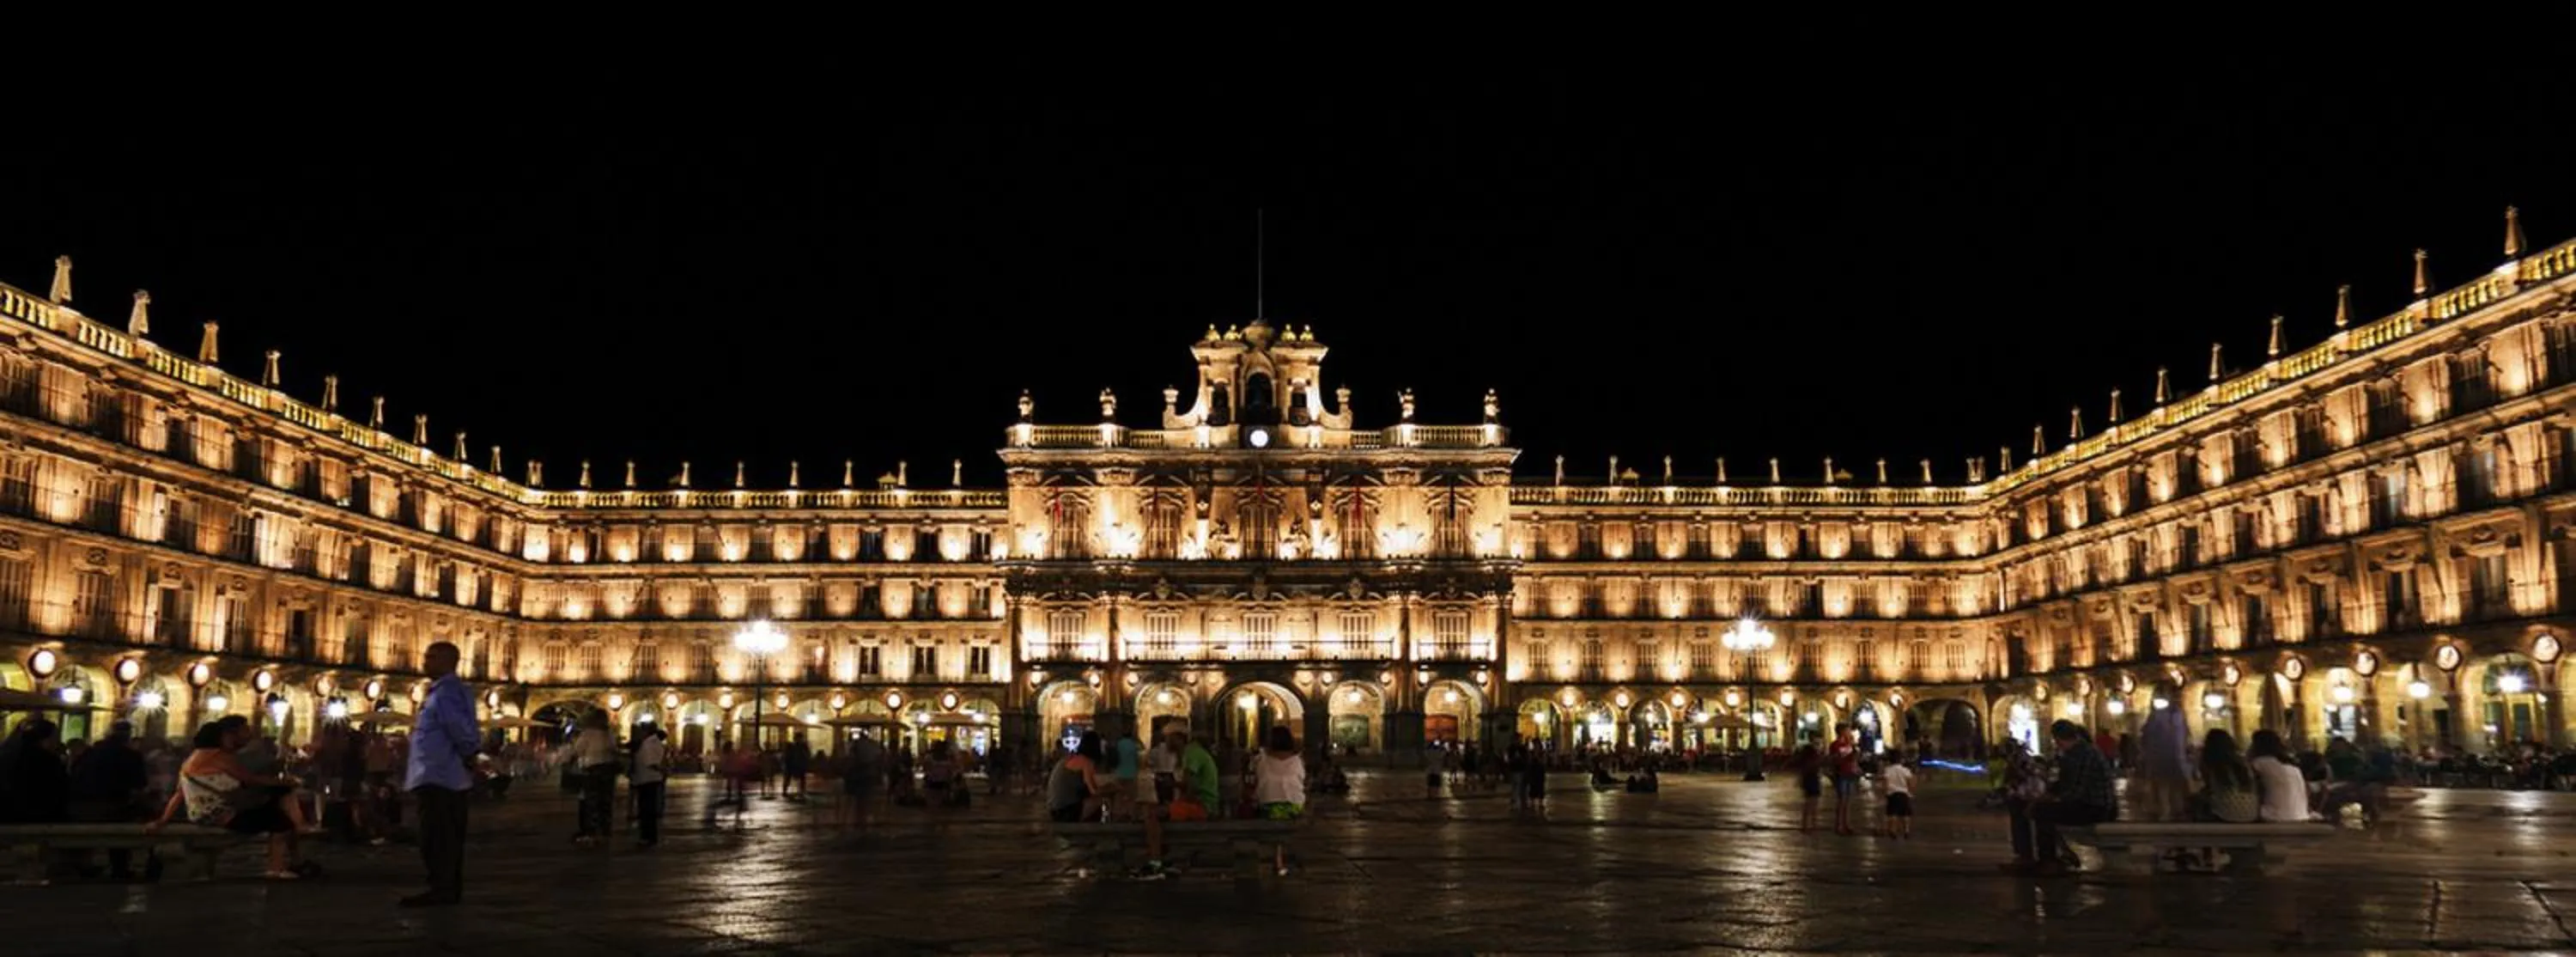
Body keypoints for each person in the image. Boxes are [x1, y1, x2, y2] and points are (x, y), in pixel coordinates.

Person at [146, 718, 313, 880]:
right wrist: (282, 781)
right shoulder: (217, 757)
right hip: (225, 815)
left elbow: (179, 794)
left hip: (201, 815)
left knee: (278, 805)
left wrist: (162, 820)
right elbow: (249, 779)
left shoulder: (190, 761)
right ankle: (277, 867)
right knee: (281, 821)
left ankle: (294, 851)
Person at [404, 640, 479, 907]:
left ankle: (442, 889)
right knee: (443, 837)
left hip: (440, 777)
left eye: (431, 657)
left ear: (448, 661)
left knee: (436, 838)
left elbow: (460, 729)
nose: (425, 661)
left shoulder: (446, 693)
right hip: (442, 776)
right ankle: (446, 887)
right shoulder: (447, 691)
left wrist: (469, 753)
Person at [2002, 721, 2118, 876]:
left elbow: (2076, 792)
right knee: (2020, 805)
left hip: (2095, 807)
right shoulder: (2075, 753)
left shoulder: (2083, 754)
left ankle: (2049, 860)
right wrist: (2044, 793)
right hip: (2089, 804)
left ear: (2059, 738)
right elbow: (2064, 784)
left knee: (2042, 811)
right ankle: (2027, 856)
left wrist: (2046, 799)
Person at [69, 720, 150, 880]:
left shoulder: (89, 753)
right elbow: (139, 784)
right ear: (128, 736)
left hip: (79, 806)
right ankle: (120, 867)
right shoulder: (130, 756)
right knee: (126, 821)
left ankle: (84, 865)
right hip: (112, 806)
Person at [1252, 725, 1306, 876]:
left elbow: (1256, 777)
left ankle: (1278, 858)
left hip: (1269, 804)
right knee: (1283, 816)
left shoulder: (1262, 759)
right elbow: (1302, 778)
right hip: (1293, 805)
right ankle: (1279, 858)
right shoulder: (1296, 760)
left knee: (1274, 814)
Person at [0, 717, 70, 826]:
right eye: (55, 737)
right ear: (46, 739)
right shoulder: (48, 762)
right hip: (40, 818)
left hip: (9, 817)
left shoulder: (9, 755)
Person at [2135, 692, 2190, 822]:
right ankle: (2176, 811)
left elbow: (2145, 737)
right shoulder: (2178, 716)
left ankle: (2165, 812)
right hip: (2174, 757)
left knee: (2163, 786)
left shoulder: (2155, 717)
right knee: (2173, 786)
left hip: (2160, 757)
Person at [565, 710, 618, 845]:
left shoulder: (588, 734)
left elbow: (577, 750)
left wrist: (569, 760)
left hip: (592, 770)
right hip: (608, 770)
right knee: (605, 802)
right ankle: (605, 832)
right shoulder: (609, 734)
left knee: (591, 802)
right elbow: (614, 749)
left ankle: (591, 833)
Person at [2247, 729, 2311, 823]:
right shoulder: (2293, 766)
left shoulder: (2259, 763)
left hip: (2275, 816)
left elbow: (2251, 787)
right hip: (2301, 815)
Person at [1046, 732, 1106, 823]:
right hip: (1065, 813)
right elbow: (1093, 791)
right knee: (1097, 801)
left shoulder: (1070, 758)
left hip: (1054, 811)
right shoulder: (1086, 761)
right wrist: (1110, 789)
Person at [839, 731, 885, 835]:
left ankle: (851, 822)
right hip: (866, 776)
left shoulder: (854, 746)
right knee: (863, 801)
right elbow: (878, 759)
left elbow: (849, 761)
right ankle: (862, 822)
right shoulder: (872, 746)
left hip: (856, 776)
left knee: (852, 801)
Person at [629, 726, 667, 848]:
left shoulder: (649, 744)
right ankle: (649, 836)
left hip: (647, 779)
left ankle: (647, 837)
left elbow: (651, 763)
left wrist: (660, 770)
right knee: (649, 810)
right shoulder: (655, 743)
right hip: (650, 779)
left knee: (646, 810)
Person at [1176, 730, 1220, 821]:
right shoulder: (1202, 753)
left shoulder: (1194, 752)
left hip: (1202, 803)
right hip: (1209, 803)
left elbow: (1189, 782)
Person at [1827, 723, 1862, 835]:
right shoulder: (1835, 745)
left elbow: (1854, 758)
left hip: (1850, 773)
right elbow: (1839, 756)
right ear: (1841, 732)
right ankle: (1839, 825)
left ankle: (1847, 824)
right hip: (1841, 773)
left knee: (1848, 800)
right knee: (1842, 800)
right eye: (1847, 730)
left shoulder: (1849, 744)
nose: (1849, 733)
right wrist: (1850, 749)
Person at [1790, 744, 1823, 832]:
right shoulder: (1813, 761)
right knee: (1813, 805)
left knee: (1808, 804)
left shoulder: (1805, 761)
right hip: (1813, 782)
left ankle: (1806, 825)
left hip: (1809, 782)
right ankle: (1812, 825)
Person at [1880, 759, 1915, 839]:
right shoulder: (1905, 770)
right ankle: (1906, 831)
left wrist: (1885, 792)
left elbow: (1886, 781)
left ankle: (1893, 831)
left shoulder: (1888, 770)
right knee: (1905, 814)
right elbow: (1910, 781)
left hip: (1892, 794)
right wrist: (1910, 792)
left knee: (1892, 813)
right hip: (1904, 793)